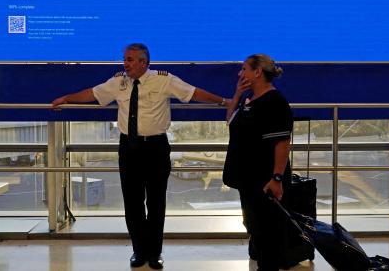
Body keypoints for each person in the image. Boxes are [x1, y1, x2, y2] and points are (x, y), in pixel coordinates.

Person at [50, 43, 228, 269]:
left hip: (156, 147)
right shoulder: (119, 82)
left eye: (131, 59)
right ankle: (138, 250)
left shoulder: (164, 79)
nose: (125, 63)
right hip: (129, 148)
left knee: (156, 202)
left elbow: (193, 93)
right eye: (125, 58)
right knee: (132, 203)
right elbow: (92, 94)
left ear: (144, 62)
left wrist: (223, 101)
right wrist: (65, 98)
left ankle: (155, 253)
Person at [222, 54, 293, 271]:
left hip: (264, 180)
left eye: (244, 69)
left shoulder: (274, 102)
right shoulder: (249, 100)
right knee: (254, 228)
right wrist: (237, 94)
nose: (240, 73)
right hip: (248, 179)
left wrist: (277, 178)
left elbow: (282, 143)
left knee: (268, 232)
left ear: (257, 72)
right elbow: (230, 120)